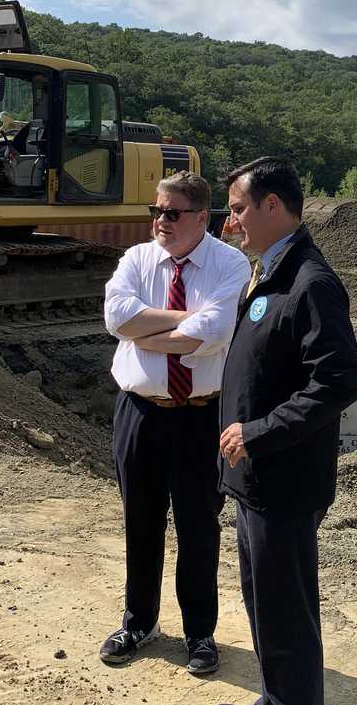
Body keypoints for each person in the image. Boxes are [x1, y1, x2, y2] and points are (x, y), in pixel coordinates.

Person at [215, 157, 357, 705]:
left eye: (238, 209)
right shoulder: (272, 271)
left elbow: (338, 381)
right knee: (266, 607)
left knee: (288, 616)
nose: (232, 223)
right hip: (256, 479)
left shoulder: (311, 282)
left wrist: (259, 431)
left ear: (272, 206)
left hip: (283, 481)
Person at [101, 171, 251, 674]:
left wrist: (148, 329)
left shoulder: (229, 263)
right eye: (156, 211)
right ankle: (138, 622)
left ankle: (200, 634)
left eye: (171, 213)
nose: (159, 221)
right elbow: (116, 319)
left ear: (200, 217)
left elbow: (210, 332)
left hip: (201, 416)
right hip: (140, 413)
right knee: (139, 522)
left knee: (197, 528)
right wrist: (179, 318)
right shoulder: (137, 258)